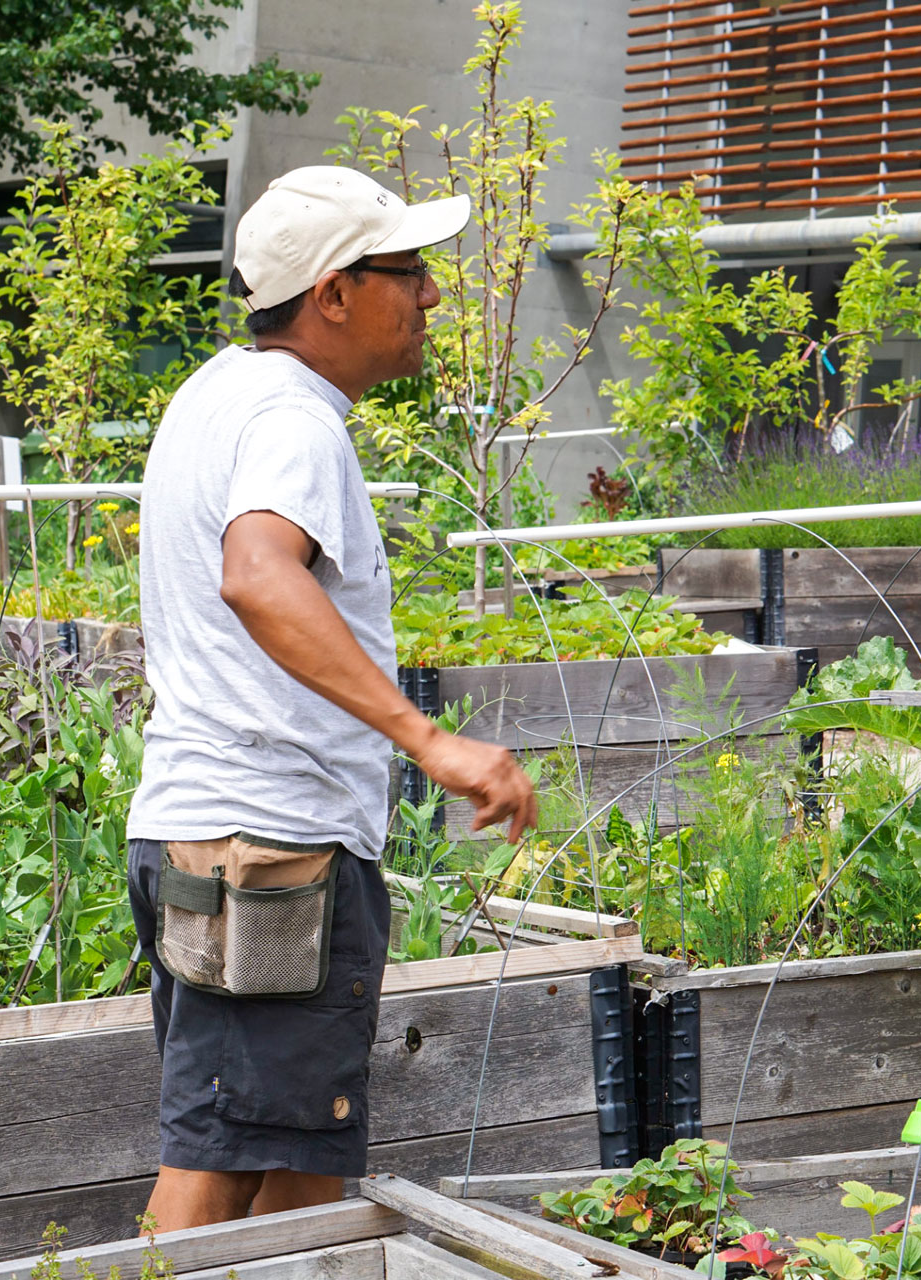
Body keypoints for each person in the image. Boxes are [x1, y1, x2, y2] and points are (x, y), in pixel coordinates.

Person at [125, 167, 539, 1230]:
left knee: (294, 1163)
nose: (433, 298)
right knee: (220, 1152)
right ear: (334, 295)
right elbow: (259, 572)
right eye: (409, 273)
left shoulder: (218, 392)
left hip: (220, 832)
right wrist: (430, 740)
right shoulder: (294, 421)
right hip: (269, 845)